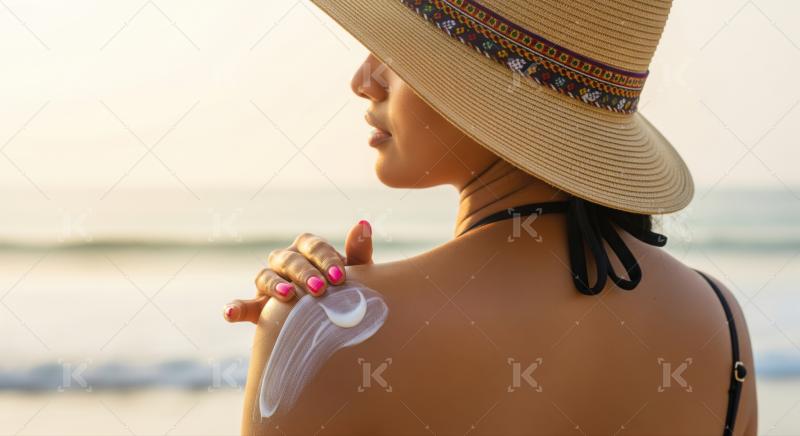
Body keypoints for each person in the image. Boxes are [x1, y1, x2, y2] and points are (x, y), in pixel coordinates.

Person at [224, 0, 757, 434]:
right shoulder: (719, 322)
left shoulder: (326, 334)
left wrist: (311, 323)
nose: (365, 79)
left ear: (488, 86)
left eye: (398, 49)